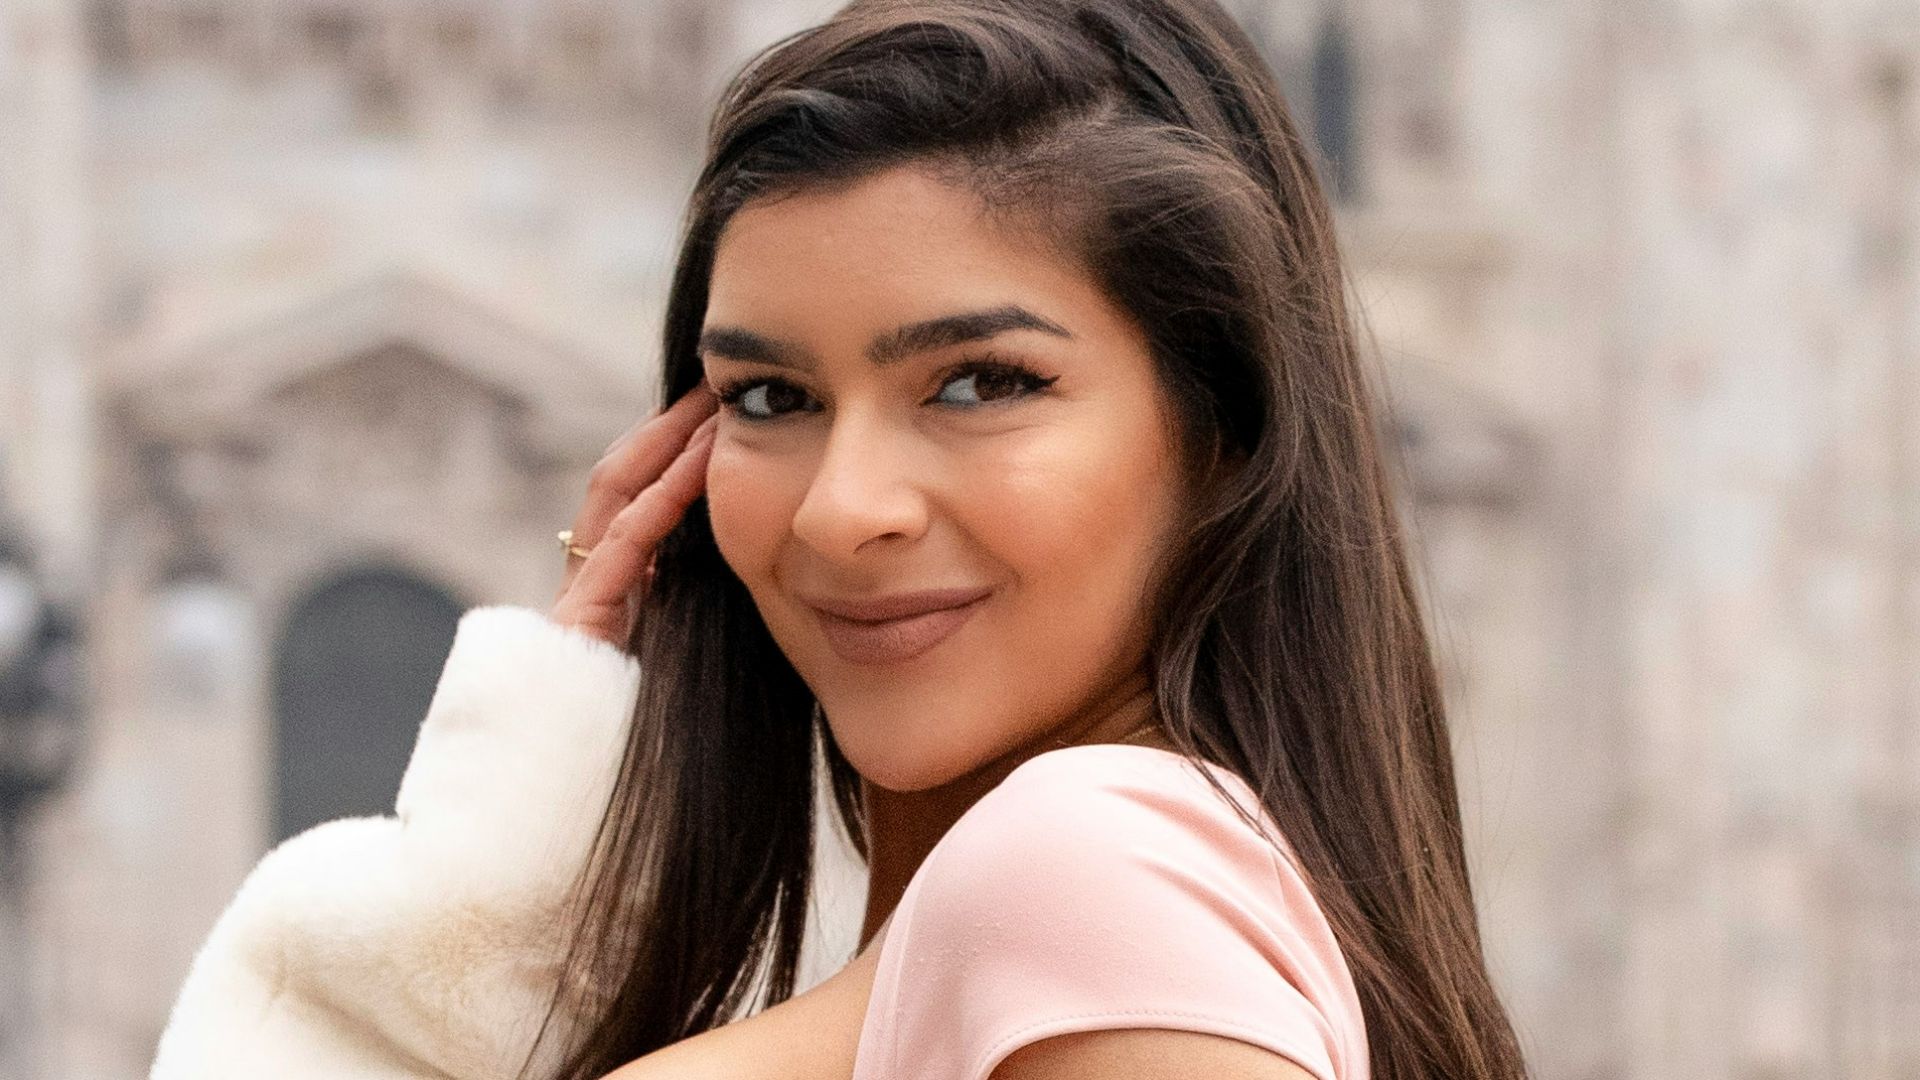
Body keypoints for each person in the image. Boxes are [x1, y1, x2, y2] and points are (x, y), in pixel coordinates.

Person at [150, 1, 1531, 1078]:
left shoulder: (1084, 872)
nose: (839, 506)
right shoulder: (1065, 909)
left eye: (982, 382)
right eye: (769, 398)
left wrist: (507, 830)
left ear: (1219, 427)